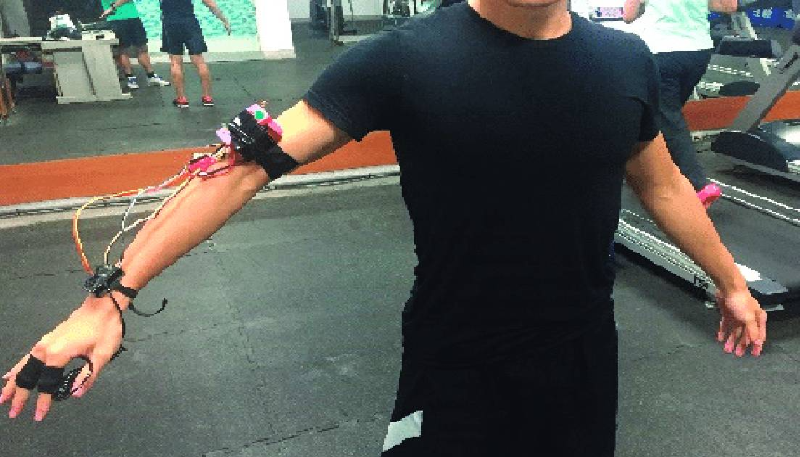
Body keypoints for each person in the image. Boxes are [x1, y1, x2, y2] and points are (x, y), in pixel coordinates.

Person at [1, 1, 767, 456]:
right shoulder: (406, 59)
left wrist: (730, 281)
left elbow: (662, 183)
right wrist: (109, 296)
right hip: (456, 367)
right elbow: (242, 166)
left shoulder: (625, 61)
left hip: (584, 361)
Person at [623, 0, 739, 208]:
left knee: (668, 118)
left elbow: (628, 15)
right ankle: (648, 168)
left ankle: (698, 185)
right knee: (659, 116)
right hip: (698, 52)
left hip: (662, 50)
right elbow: (728, 6)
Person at [160, 0, 230, 108]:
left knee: (175, 61)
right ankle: (207, 97)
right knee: (199, 60)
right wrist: (224, 20)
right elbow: (210, 3)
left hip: (170, 23)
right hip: (189, 23)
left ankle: (181, 99)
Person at [99, 0, 170, 90]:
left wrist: (113, 6)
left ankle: (151, 76)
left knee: (142, 48)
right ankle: (131, 78)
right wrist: (113, 7)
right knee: (123, 50)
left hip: (133, 16)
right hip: (117, 19)